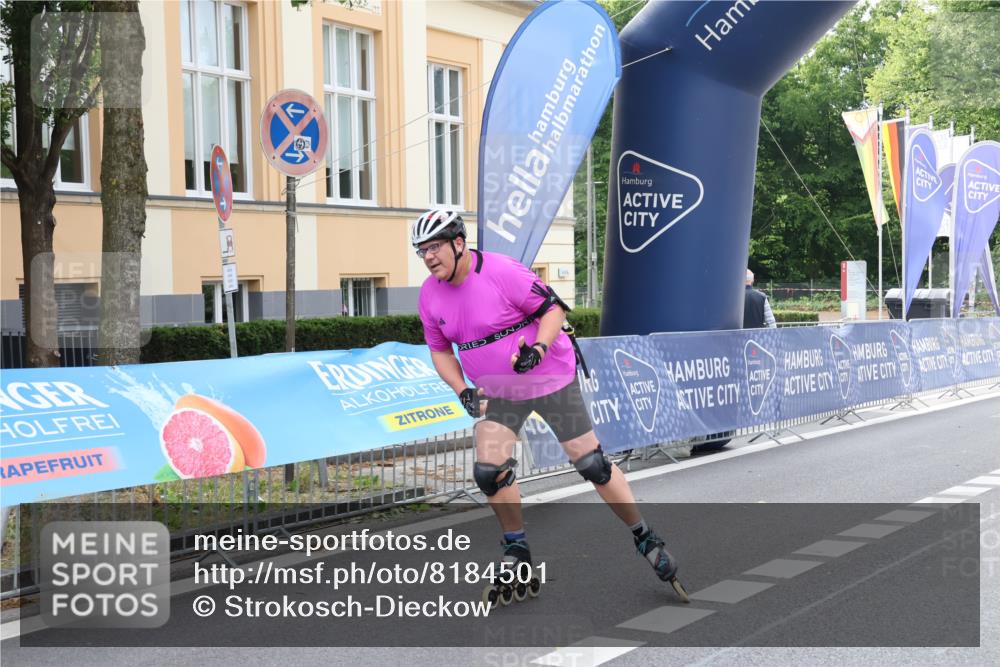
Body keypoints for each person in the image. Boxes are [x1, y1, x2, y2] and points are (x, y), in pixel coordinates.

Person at [412, 208, 688, 605]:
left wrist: (538, 349)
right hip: (501, 389)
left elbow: (553, 309)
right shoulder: (429, 294)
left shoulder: (502, 272)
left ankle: (645, 536)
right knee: (488, 471)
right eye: (422, 251)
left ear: (459, 243)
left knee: (591, 464)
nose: (429, 257)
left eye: (435, 247)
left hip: (548, 377)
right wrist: (461, 390)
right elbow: (440, 351)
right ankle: (516, 548)